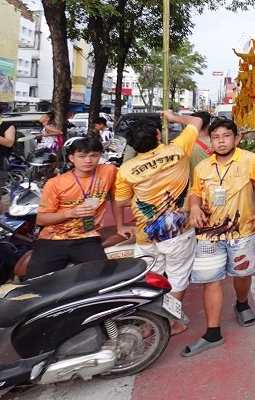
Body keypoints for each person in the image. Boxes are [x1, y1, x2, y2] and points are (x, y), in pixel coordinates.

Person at [184, 118, 255, 357]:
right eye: (216, 137)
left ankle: (242, 303)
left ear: (236, 139)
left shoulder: (250, 160)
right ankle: (212, 333)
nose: (221, 141)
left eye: (226, 136)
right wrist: (194, 207)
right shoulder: (203, 167)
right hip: (207, 234)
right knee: (211, 280)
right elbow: (195, 192)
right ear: (210, 140)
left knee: (242, 274)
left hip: (242, 232)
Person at [113, 110, 205, 336]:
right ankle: (171, 322)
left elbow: (122, 201)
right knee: (178, 276)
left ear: (133, 145)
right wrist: (173, 117)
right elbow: (197, 121)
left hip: (146, 233)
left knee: (150, 279)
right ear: (157, 134)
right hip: (178, 232)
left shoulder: (126, 169)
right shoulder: (178, 149)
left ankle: (148, 323)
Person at [25, 136, 115, 279]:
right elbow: (41, 220)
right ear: (71, 158)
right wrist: (70, 213)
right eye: (82, 156)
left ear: (100, 156)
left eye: (93, 155)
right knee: (35, 282)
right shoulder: (55, 183)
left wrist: (121, 225)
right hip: (52, 239)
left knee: (102, 279)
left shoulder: (108, 171)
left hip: (87, 237)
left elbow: (117, 197)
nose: (88, 161)